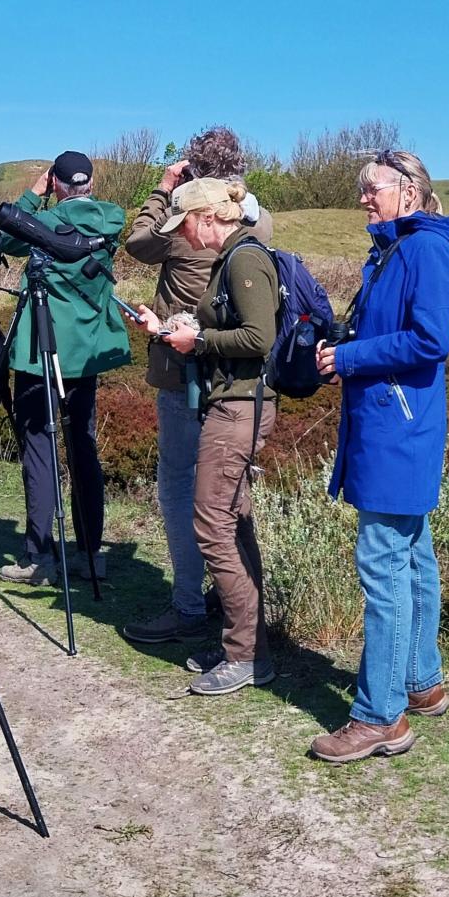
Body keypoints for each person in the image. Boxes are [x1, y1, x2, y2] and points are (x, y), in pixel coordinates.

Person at [309, 151, 449, 763]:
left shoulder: (424, 250)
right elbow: (388, 332)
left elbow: (433, 340)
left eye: (371, 188)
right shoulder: (394, 249)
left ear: (409, 190)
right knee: (412, 555)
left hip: (398, 430)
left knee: (383, 569)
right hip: (391, 425)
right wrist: (340, 351)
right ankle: (422, 682)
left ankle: (381, 716)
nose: (362, 198)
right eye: (361, 189)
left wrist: (349, 360)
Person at [121, 126, 273, 644]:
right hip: (236, 384)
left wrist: (164, 188)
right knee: (230, 495)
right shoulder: (260, 223)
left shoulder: (188, 226)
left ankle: (188, 605)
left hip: (183, 370)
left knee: (180, 488)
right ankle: (236, 602)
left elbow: (138, 242)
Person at [0, 152, 131, 586]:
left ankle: (39, 555)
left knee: (39, 447)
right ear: (91, 182)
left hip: (40, 352)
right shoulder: (110, 222)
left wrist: (33, 196)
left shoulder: (44, 226)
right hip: (85, 355)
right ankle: (92, 553)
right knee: (82, 446)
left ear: (55, 182)